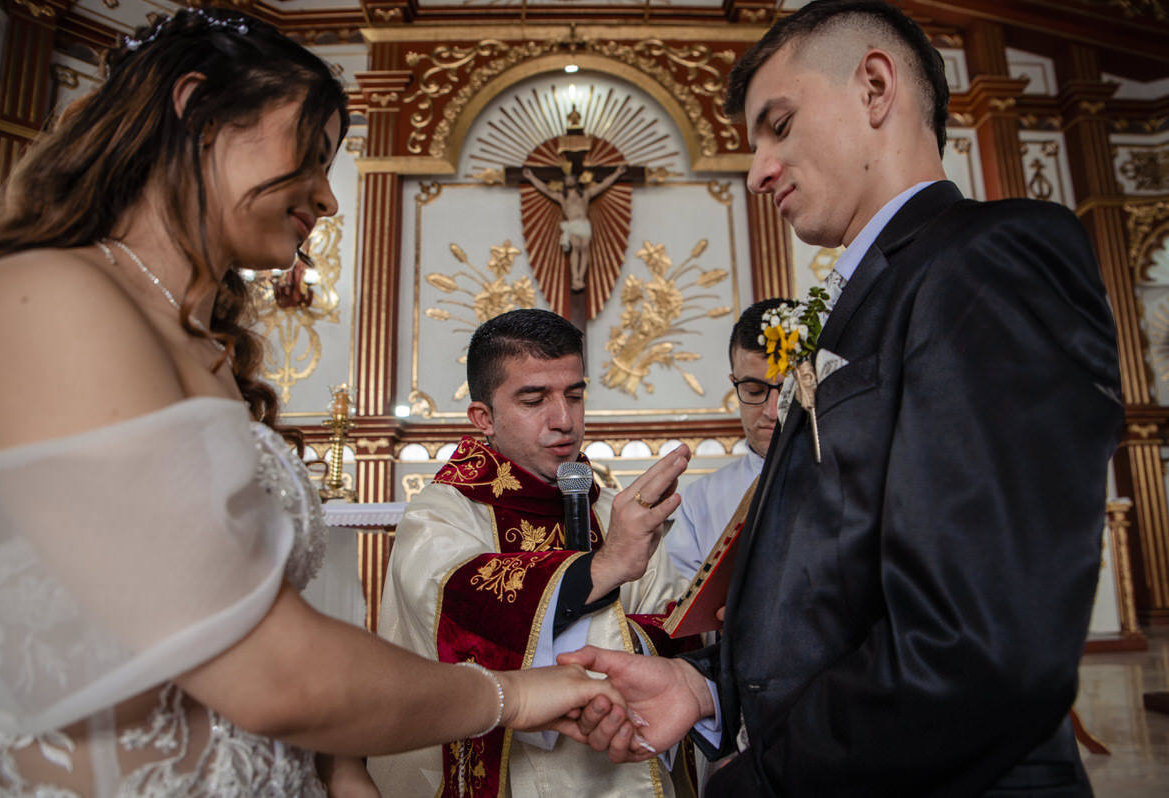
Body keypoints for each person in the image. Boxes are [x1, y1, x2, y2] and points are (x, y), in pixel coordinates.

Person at [0, 10, 624, 797]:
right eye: (310, 158)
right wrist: (512, 694)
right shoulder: (48, 298)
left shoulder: (204, 349)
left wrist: (344, 775)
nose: (328, 198)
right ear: (196, 110)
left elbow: (263, 619)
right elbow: (267, 668)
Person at [558, 1, 1124, 795]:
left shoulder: (988, 262)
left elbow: (979, 646)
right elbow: (835, 587)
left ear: (876, 86)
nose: (756, 170)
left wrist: (762, 781)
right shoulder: (874, 294)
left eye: (779, 125)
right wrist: (707, 689)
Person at [368, 308, 692, 797]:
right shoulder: (443, 512)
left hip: (617, 755)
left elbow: (670, 622)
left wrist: (632, 656)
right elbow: (461, 608)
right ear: (484, 418)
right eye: (534, 399)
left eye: (575, 395)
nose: (564, 421)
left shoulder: (611, 509)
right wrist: (601, 570)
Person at [666, 298, 788, 580]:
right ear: (734, 383)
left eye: (788, 390)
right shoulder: (699, 502)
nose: (772, 412)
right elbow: (677, 606)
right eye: (755, 391)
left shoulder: (851, 482)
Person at [522, 165, 626, 292]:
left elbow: (602, 186)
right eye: (567, 179)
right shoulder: (562, 197)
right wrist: (531, 177)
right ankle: (575, 277)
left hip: (584, 224)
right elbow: (545, 189)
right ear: (564, 182)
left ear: (576, 181)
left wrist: (616, 173)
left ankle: (580, 277)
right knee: (576, 247)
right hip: (572, 224)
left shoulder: (585, 195)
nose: (569, 180)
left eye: (571, 178)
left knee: (584, 248)